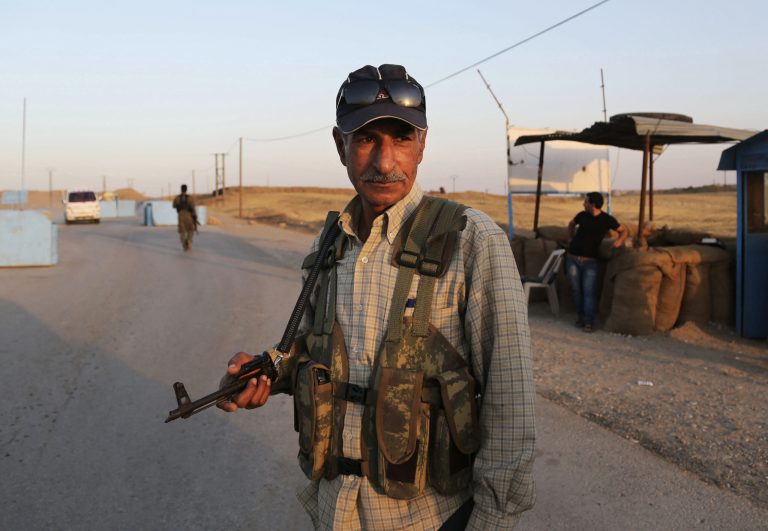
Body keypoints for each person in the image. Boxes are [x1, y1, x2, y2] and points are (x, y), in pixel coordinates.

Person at [218, 64, 536, 530]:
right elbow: (310, 347)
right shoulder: (330, 243)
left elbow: (510, 401)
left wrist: (492, 522)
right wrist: (266, 369)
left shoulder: (471, 239)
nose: (385, 162)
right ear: (339, 145)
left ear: (422, 144)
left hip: (430, 518)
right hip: (335, 511)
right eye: (366, 138)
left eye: (402, 139)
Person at [566, 192, 628, 332]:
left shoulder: (606, 219)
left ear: (593, 204)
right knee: (576, 290)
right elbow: (571, 225)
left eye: (586, 202)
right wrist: (570, 239)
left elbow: (623, 231)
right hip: (573, 259)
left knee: (589, 292)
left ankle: (589, 322)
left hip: (590, 262)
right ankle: (581, 318)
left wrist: (619, 241)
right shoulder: (582, 215)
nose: (583, 204)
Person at [172, 184, 198, 251]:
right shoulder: (190, 198)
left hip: (181, 215)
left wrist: (179, 205)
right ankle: (189, 241)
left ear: (181, 189)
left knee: (182, 231)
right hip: (189, 215)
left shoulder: (177, 198)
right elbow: (193, 207)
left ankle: (184, 244)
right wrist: (195, 216)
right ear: (186, 189)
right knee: (190, 229)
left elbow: (173, 206)